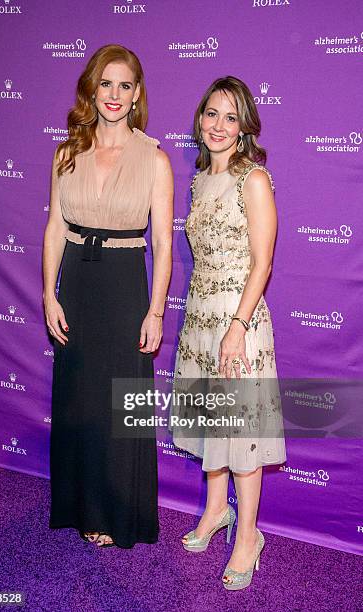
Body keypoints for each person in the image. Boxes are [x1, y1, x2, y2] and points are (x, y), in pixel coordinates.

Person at [43, 44, 173, 549]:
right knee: (78, 400)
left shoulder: (155, 159)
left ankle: (118, 511)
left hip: (124, 285)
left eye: (125, 85)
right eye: (105, 83)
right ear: (91, 90)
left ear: (137, 93)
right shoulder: (66, 152)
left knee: (120, 403)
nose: (114, 95)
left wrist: (156, 309)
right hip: (76, 280)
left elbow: (162, 242)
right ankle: (80, 506)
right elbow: (55, 227)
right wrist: (49, 296)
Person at [172, 76, 286, 589]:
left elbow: (262, 264)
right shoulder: (199, 180)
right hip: (200, 318)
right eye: (211, 114)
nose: (218, 125)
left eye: (230, 117)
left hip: (238, 321)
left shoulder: (253, 179)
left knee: (242, 435)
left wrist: (237, 328)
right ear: (200, 120)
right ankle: (216, 509)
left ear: (244, 128)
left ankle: (248, 536)